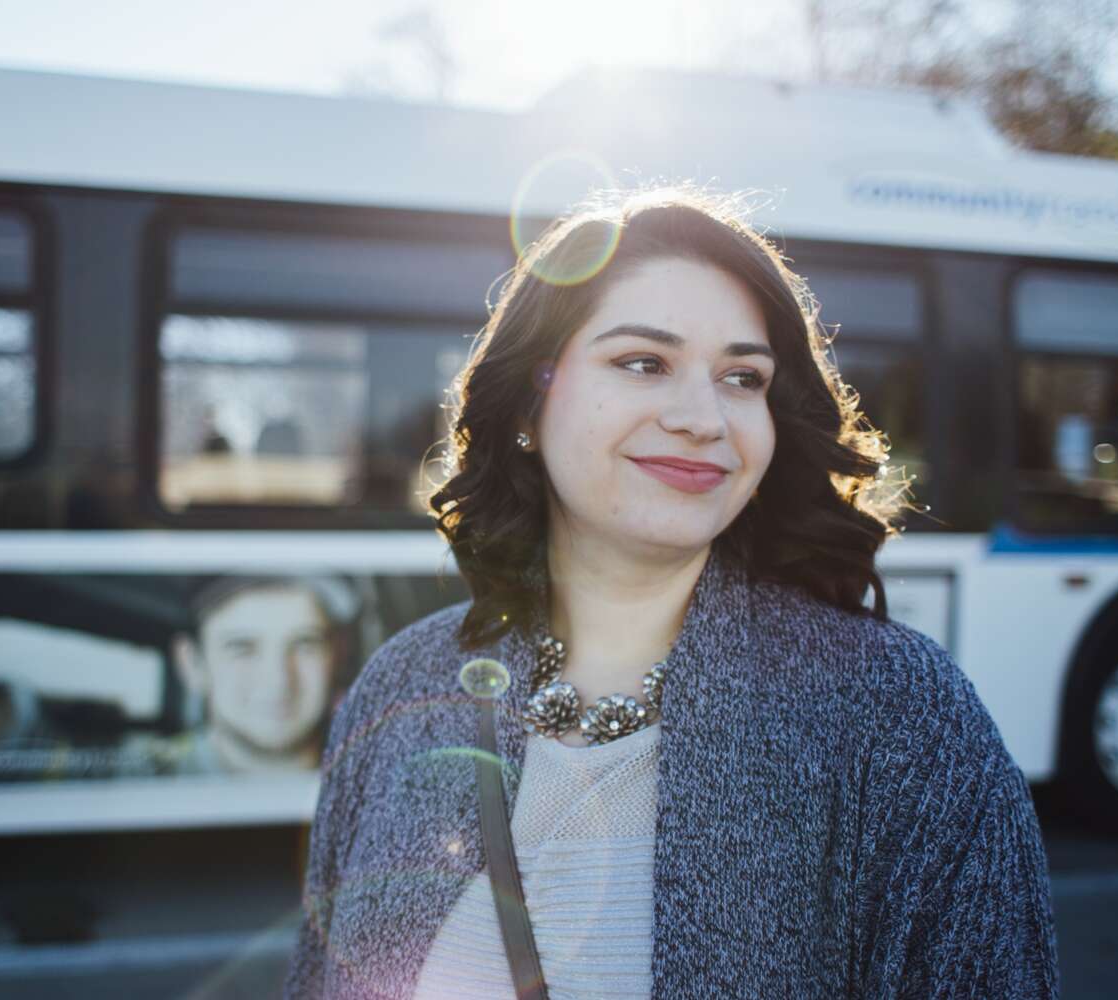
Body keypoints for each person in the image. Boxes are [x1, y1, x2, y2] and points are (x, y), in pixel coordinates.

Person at [283, 187, 1059, 998]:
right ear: (529, 400)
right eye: (643, 363)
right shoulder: (403, 685)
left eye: (743, 377)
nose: (703, 418)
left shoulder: (901, 716)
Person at [145, 575, 359, 775]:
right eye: (242, 648)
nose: (278, 680)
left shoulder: (371, 776)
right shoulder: (143, 777)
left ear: (338, 657)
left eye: (305, 643)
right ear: (192, 664)